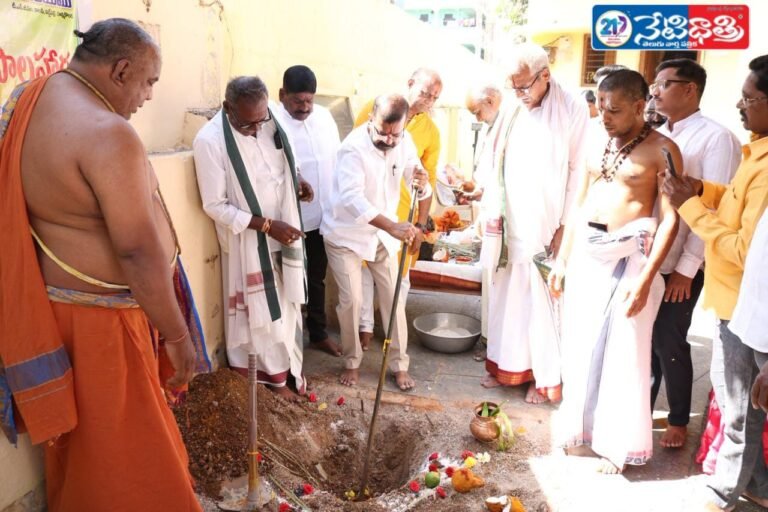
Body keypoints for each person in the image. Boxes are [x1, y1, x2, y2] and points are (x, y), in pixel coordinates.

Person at [0, 19, 204, 511]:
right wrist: (177, 339)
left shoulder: (30, 97)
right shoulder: (108, 132)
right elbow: (136, 250)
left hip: (61, 316)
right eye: (149, 81)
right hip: (103, 328)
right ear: (121, 69)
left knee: (88, 456)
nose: (149, 95)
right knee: (133, 467)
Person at [551, 69, 679, 474]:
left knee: (626, 354)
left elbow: (671, 220)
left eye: (615, 110)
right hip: (588, 255)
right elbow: (579, 204)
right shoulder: (597, 141)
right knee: (580, 347)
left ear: (641, 107)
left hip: (631, 260)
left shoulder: (664, 151)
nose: (605, 117)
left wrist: (645, 281)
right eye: (602, 107)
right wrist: (561, 259)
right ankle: (582, 430)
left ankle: (616, 446)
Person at [661, 54, 768, 512]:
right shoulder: (756, 153)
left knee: (738, 406)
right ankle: (758, 488)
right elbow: (735, 205)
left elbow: (746, 249)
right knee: (739, 402)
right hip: (732, 300)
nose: (740, 106)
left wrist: (689, 208)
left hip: (745, 304)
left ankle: (723, 493)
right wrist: (701, 190)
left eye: (748, 99)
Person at [479, 43, 588, 403]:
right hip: (510, 220)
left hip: (546, 220)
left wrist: (565, 225)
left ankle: (539, 377)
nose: (519, 94)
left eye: (524, 87)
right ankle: (502, 365)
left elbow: (578, 173)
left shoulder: (571, 108)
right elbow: (493, 158)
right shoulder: (512, 107)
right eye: (513, 87)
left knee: (541, 300)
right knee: (506, 295)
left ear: (545, 76)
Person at [193, 76, 313, 399]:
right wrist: (266, 226)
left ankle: (290, 372)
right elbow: (215, 205)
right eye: (248, 125)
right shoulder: (210, 141)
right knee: (259, 315)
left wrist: (298, 180)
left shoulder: (267, 117)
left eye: (261, 121)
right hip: (247, 241)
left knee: (287, 307)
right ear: (227, 108)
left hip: (283, 230)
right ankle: (270, 381)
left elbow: (285, 161)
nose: (258, 129)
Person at [648, 58, 741, 449]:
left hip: (686, 260)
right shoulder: (655, 132)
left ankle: (679, 419)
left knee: (670, 339)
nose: (655, 91)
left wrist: (687, 269)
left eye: (664, 84)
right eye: (654, 84)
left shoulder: (716, 138)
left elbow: (716, 207)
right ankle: (641, 409)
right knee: (647, 338)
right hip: (652, 255)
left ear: (690, 89)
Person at [321, 94, 431, 391]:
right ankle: (352, 361)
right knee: (352, 301)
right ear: (371, 118)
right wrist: (393, 226)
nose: (389, 139)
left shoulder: (403, 140)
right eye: (383, 131)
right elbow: (352, 200)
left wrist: (420, 183)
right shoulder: (352, 149)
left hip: (381, 234)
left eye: (395, 133)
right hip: (345, 234)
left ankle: (399, 364)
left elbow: (416, 177)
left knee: (393, 298)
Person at [354, 68, 441, 351]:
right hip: (369, 208)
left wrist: (423, 221)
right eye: (425, 92)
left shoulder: (431, 131)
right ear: (410, 83)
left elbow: (428, 176)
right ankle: (363, 329)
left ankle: (392, 332)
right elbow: (357, 152)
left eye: (434, 97)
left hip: (404, 214)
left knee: (400, 276)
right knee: (365, 271)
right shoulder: (375, 107)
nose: (428, 100)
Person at [273, 65, 342, 358]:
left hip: (321, 216)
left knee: (316, 276)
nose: (305, 108)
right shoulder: (271, 121)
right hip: (285, 218)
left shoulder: (324, 117)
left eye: (309, 101)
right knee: (286, 277)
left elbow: (337, 158)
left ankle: (318, 333)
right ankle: (286, 339)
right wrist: (297, 179)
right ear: (282, 95)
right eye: (298, 101)